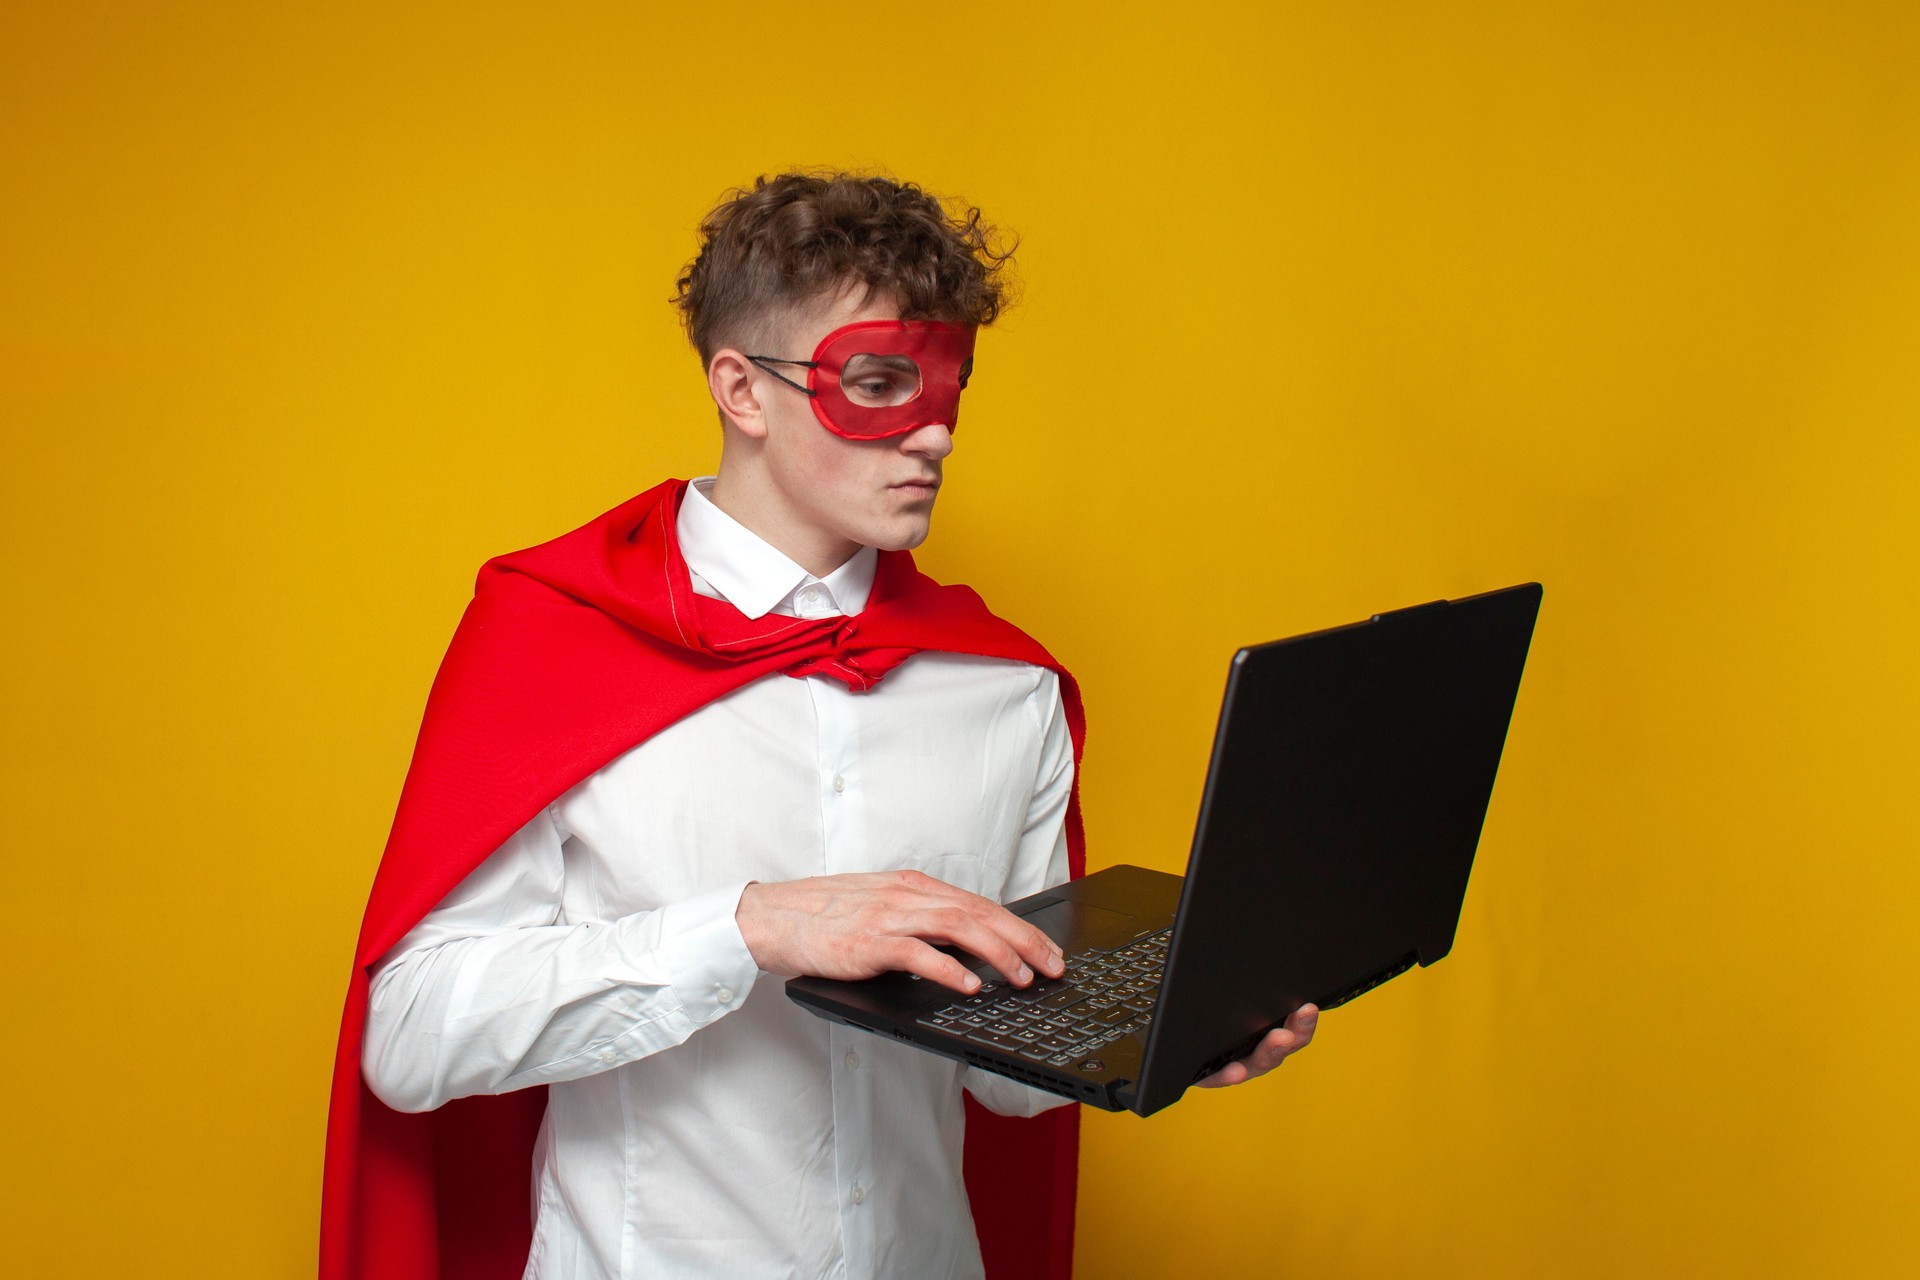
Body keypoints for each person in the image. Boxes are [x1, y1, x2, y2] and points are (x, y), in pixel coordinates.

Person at [320, 172, 1318, 1280]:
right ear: (742, 389)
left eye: (951, 387)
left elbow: (1001, 1076)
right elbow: (411, 1035)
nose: (934, 434)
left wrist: (1173, 1032)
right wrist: (746, 928)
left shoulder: (1003, 686)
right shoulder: (553, 644)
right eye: (880, 383)